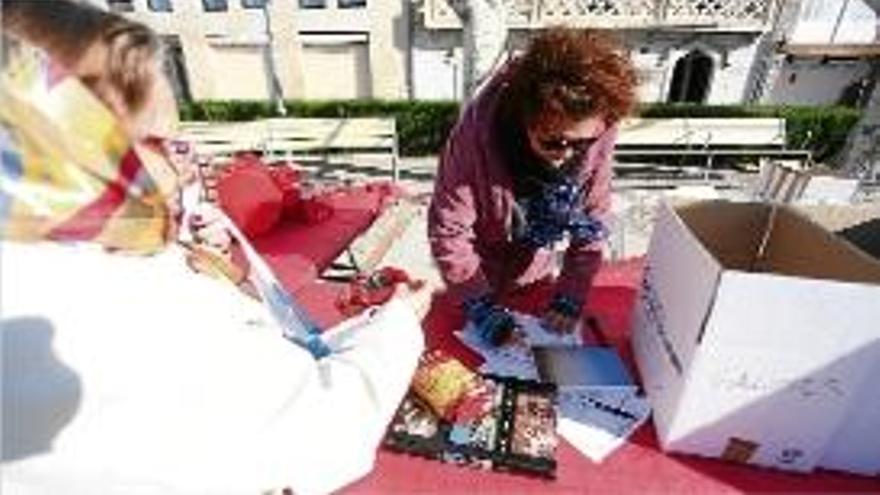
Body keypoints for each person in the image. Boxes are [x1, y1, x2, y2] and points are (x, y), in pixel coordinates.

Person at [0, 1, 426, 493]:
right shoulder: (110, 305)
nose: (185, 166)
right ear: (72, 141)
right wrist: (397, 323)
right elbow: (319, 434)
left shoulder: (54, 248)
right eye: (161, 143)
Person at [428, 27, 637, 345]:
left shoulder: (599, 130)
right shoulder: (474, 135)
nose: (566, 155)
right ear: (525, 116)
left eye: (581, 143)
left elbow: (593, 221)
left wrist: (571, 292)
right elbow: (449, 231)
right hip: (476, 268)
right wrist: (478, 304)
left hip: (535, 273)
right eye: (554, 141)